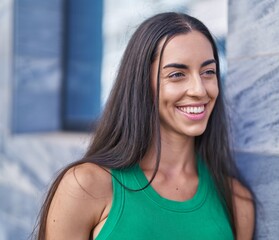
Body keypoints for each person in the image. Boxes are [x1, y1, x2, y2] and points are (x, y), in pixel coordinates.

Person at [35, 12, 254, 240]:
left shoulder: (236, 201)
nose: (200, 90)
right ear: (142, 83)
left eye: (208, 72)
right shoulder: (86, 186)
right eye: (177, 74)